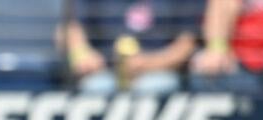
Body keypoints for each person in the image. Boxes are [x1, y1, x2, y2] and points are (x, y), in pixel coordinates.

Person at [63, 0, 202, 94]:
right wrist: (82, 53)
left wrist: (148, 63)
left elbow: (187, 43)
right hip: (106, 70)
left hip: (160, 71)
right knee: (96, 87)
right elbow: (72, 27)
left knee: (155, 86)